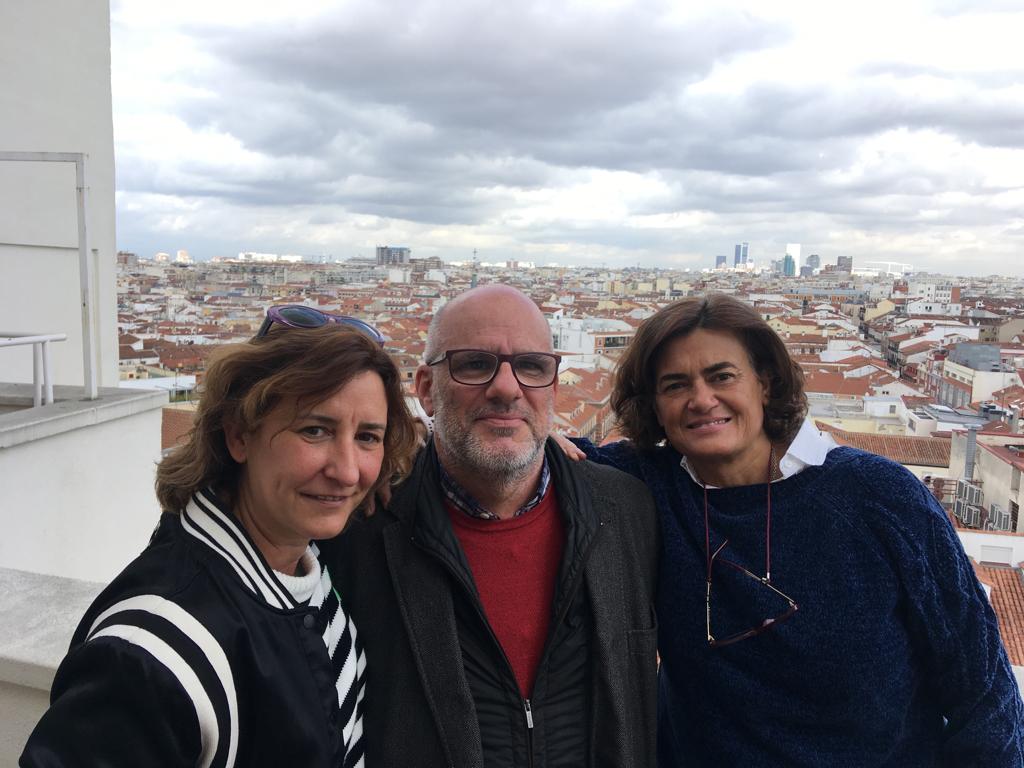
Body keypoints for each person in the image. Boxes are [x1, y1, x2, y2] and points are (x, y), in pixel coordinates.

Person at [566, 293, 1024, 767]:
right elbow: (538, 462)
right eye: (675, 385)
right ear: (655, 408)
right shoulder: (646, 487)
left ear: (765, 383)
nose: (702, 400)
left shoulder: (879, 496)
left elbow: (983, 688)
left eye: (722, 376)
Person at [21, 307, 417, 768]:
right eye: (315, 430)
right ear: (239, 435)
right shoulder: (150, 653)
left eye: (368, 437)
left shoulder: (298, 559)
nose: (348, 471)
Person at [325, 284, 659, 767]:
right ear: (424, 390)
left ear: (553, 387)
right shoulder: (358, 526)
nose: (506, 388)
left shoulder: (627, 510)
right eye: (475, 364)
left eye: (532, 366)